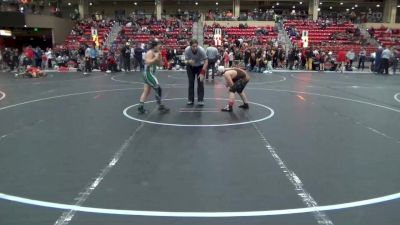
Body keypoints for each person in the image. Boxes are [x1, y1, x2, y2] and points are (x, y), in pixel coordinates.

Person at [137, 38, 169, 114]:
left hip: (150, 73)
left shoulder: (157, 52)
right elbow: (148, 63)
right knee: (158, 88)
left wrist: (161, 57)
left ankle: (140, 107)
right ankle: (160, 106)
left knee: (146, 91)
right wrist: (155, 58)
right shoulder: (150, 52)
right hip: (148, 73)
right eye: (159, 45)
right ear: (154, 46)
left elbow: (160, 64)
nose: (160, 46)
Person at [184, 39, 208, 106]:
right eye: (193, 46)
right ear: (190, 46)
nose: (195, 48)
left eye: (196, 46)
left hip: (200, 67)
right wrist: (189, 61)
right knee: (191, 83)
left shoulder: (201, 50)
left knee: (200, 83)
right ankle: (190, 100)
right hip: (190, 67)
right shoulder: (187, 50)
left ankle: (200, 100)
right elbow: (185, 61)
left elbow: (206, 61)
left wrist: (202, 72)